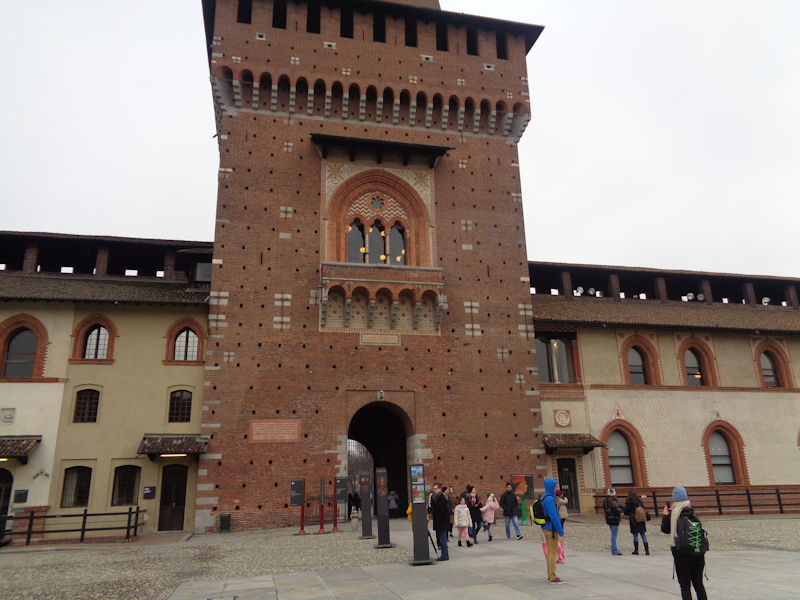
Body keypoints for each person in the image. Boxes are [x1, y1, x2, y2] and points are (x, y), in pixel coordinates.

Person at [661, 486, 708, 600]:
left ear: (675, 498)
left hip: (681, 553)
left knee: (685, 586)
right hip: (697, 551)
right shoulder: (691, 510)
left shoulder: (675, 512)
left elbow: (665, 529)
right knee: (698, 584)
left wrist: (666, 516)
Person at [541, 477, 566, 584]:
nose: (556, 488)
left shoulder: (544, 497)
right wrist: (560, 530)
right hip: (551, 529)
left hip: (545, 527)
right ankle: (553, 576)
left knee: (550, 552)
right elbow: (554, 516)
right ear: (551, 486)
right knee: (553, 552)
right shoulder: (550, 499)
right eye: (555, 486)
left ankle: (550, 574)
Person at [623, 489, 649, 555]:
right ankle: (647, 551)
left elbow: (626, 512)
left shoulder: (629, 503)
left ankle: (636, 550)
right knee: (643, 535)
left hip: (633, 520)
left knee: (635, 535)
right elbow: (643, 509)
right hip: (641, 520)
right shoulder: (639, 502)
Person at [430, 483, 450, 561]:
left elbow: (442, 511)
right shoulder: (435, 497)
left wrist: (438, 518)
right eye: (434, 488)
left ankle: (445, 555)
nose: (434, 490)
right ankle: (444, 555)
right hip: (438, 521)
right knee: (441, 539)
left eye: (435, 488)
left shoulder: (441, 498)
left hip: (442, 522)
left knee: (443, 539)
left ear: (439, 489)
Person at [602, 488, 623, 555]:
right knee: (614, 535)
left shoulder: (605, 501)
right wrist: (621, 510)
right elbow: (618, 510)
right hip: (614, 519)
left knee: (613, 534)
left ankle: (614, 549)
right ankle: (614, 550)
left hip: (609, 519)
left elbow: (607, 511)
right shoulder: (613, 502)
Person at [555, 488, 568, 563]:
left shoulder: (557, 499)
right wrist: (565, 497)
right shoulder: (558, 499)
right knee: (560, 525)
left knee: (561, 524)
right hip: (561, 515)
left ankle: (561, 532)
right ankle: (560, 533)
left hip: (562, 515)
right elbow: (565, 501)